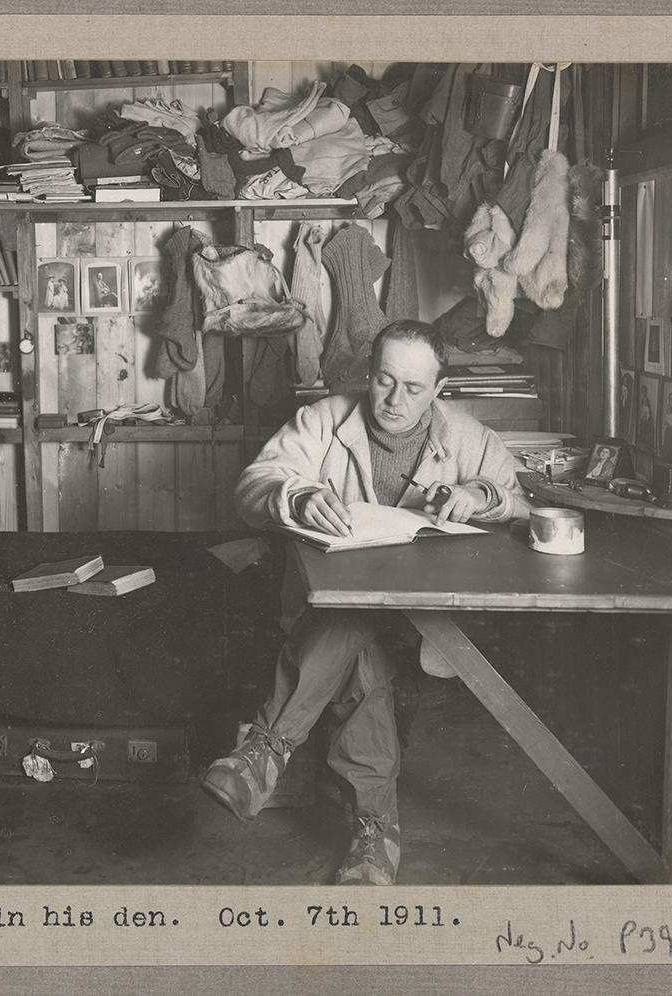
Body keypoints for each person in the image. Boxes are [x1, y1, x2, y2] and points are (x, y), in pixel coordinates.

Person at [201, 319, 531, 886]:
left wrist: (481, 494)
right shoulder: (324, 419)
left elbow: (521, 499)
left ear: (438, 388)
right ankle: (375, 835)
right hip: (341, 614)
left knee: (351, 629)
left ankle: (265, 750)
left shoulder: (466, 435)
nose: (396, 401)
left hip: (428, 624)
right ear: (368, 373)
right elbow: (254, 483)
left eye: (414, 387)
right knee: (360, 647)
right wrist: (296, 494)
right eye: (384, 380)